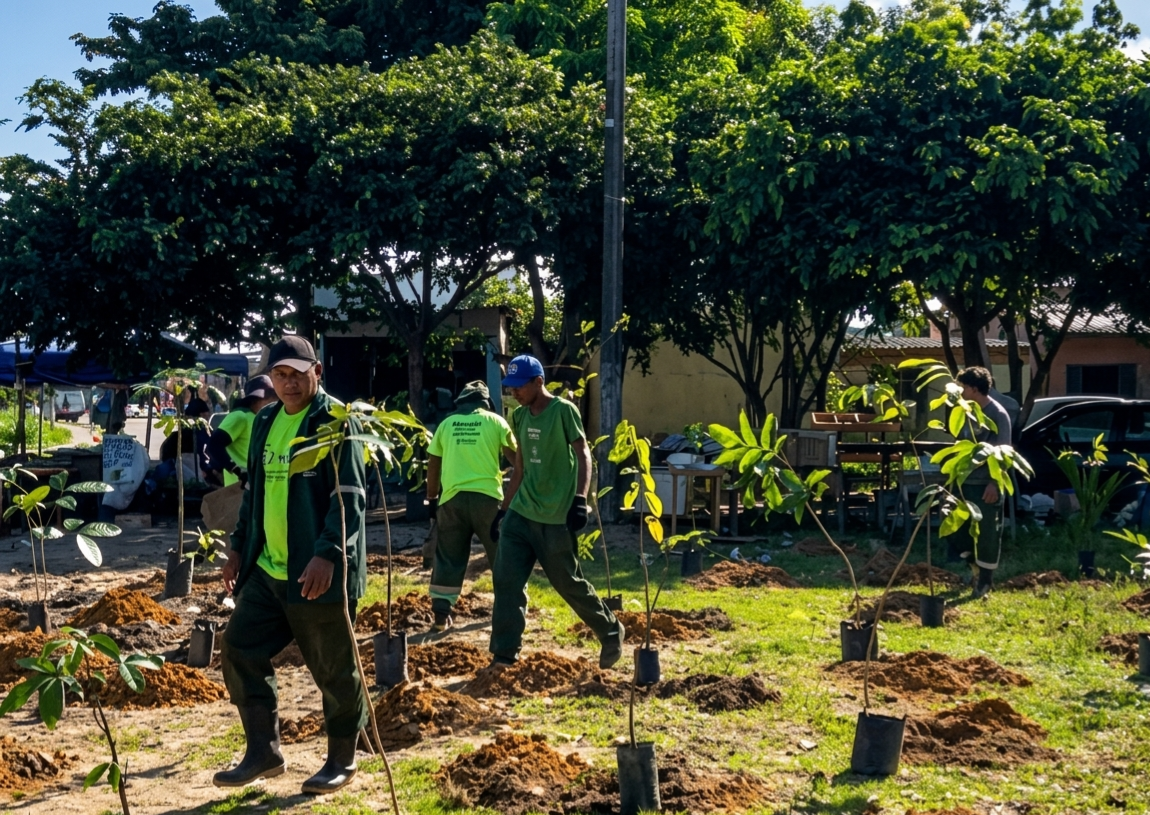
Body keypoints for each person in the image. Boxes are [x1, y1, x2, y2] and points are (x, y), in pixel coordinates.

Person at [216, 335, 369, 795]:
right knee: (239, 646)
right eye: (279, 375)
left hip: (316, 572)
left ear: (316, 372)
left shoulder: (335, 421)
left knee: (333, 668)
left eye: (297, 374)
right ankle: (263, 751)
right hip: (268, 570)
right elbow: (254, 492)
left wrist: (328, 553)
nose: (289, 384)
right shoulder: (265, 421)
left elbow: (349, 497)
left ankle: (342, 759)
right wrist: (238, 547)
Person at [489, 355, 624, 668]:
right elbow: (520, 467)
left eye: (519, 386)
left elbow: (584, 453)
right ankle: (504, 654)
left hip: (555, 516)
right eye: (510, 387)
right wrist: (503, 510)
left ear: (539, 382)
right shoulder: (519, 416)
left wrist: (580, 499)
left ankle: (610, 630)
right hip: (521, 513)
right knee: (506, 580)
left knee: (567, 582)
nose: (514, 392)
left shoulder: (564, 410)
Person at [426, 380, 517, 631]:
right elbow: (516, 460)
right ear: (485, 402)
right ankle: (509, 609)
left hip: (452, 501)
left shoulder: (446, 425)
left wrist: (431, 498)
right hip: (488, 501)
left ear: (461, 402)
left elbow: (433, 464)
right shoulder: (496, 422)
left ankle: (441, 616)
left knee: (448, 556)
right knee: (501, 554)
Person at [951, 366, 1012, 598]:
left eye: (963, 387)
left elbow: (1004, 453)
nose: (960, 391)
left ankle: (985, 581)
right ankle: (974, 571)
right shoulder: (966, 412)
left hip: (986, 485)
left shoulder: (998, 414)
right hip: (964, 482)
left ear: (974, 389)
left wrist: (995, 483)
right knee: (959, 531)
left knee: (987, 533)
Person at [205, 375, 277, 486]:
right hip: (240, 487)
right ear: (255, 399)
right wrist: (237, 471)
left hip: (258, 484)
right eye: (270, 398)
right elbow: (213, 445)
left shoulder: (258, 418)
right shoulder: (240, 416)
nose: (274, 404)